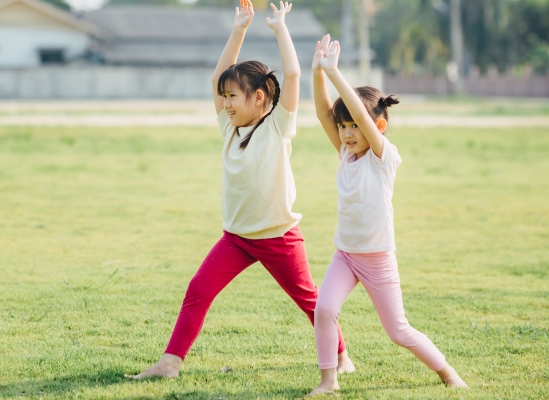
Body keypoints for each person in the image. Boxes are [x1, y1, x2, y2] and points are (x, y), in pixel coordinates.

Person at [126, 1, 354, 379]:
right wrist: (239, 30)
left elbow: (293, 76)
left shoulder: (277, 126)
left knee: (310, 302)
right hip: (236, 238)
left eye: (234, 96)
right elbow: (218, 75)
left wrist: (280, 27)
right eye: (225, 97)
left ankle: (342, 355)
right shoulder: (229, 129)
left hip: (278, 236)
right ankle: (170, 363)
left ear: (260, 98)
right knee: (198, 289)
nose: (226, 103)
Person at [309, 35, 467, 395]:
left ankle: (448, 373)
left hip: (378, 259)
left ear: (376, 128)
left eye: (355, 127)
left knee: (398, 331)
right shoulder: (346, 155)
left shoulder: (383, 158)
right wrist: (318, 70)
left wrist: (335, 73)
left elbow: (360, 114)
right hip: (346, 255)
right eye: (343, 127)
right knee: (324, 309)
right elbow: (323, 113)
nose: (347, 134)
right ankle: (328, 381)